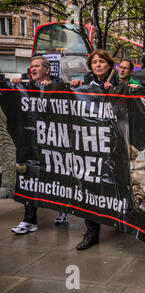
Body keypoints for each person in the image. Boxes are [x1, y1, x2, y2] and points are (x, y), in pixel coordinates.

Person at [70, 49, 125, 249]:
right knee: (90, 186)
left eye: (102, 61)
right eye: (94, 62)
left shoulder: (120, 85)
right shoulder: (86, 85)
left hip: (114, 145)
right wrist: (75, 88)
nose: (98, 65)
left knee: (116, 184)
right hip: (91, 144)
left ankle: (121, 219)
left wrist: (114, 92)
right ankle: (91, 233)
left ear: (109, 65)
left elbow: (125, 109)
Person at [10, 56, 68, 235]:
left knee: (55, 178)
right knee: (30, 177)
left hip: (54, 143)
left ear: (47, 70)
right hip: (31, 143)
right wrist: (15, 86)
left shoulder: (59, 87)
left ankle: (62, 209)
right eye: (31, 66)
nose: (32, 69)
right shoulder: (25, 87)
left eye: (36, 66)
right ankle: (29, 220)